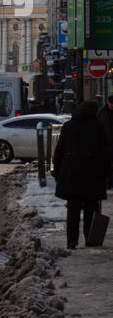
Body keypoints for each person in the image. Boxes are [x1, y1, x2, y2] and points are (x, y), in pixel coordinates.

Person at [53, 100, 110, 249]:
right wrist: (105, 174)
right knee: (91, 210)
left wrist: (58, 173)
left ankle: (72, 241)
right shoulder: (97, 128)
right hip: (92, 176)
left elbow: (59, 152)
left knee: (73, 210)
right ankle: (90, 239)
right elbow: (104, 154)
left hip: (71, 175)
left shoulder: (68, 126)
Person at [97, 92, 113, 183]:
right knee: (106, 163)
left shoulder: (102, 112)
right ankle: (108, 182)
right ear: (107, 102)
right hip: (105, 142)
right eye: (111, 103)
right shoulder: (102, 113)